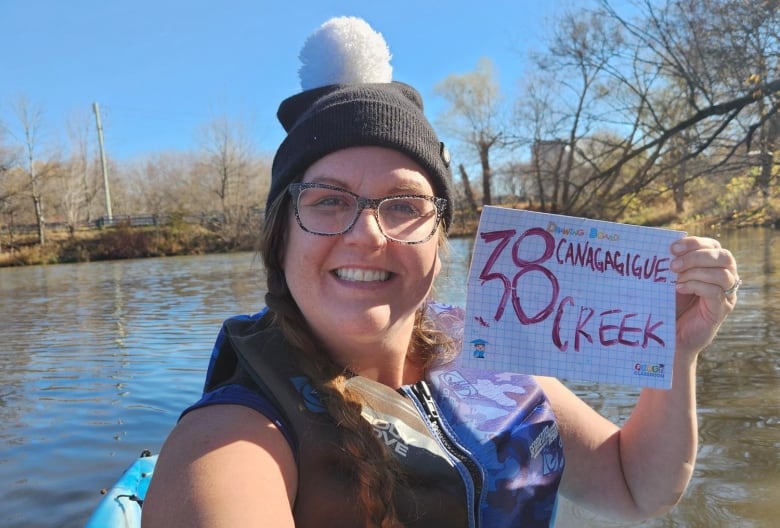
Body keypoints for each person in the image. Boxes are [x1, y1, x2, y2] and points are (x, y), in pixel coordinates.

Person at [142, 17, 740, 528]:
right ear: (281, 236)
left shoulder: (490, 350)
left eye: (403, 205)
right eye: (327, 200)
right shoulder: (233, 435)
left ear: (439, 238)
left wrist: (677, 351)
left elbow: (635, 486)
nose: (368, 233)